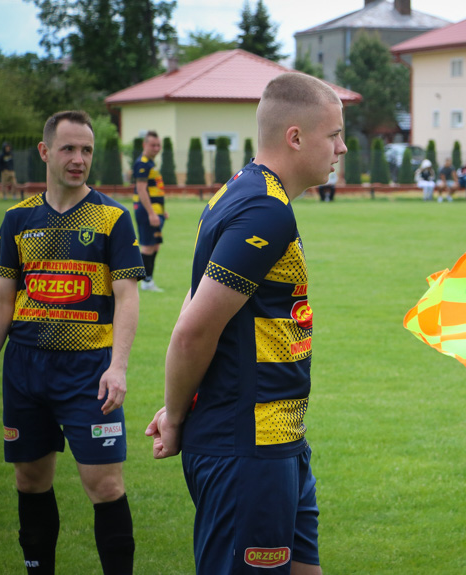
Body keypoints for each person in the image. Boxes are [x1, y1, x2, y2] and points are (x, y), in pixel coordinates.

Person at [145, 72, 346, 575]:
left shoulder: (238, 191)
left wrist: (181, 404)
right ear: (295, 137)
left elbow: (196, 303)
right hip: (247, 446)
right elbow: (194, 329)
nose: (342, 148)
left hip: (280, 440)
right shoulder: (264, 210)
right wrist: (174, 415)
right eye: (335, 134)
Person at [0, 110, 144, 575]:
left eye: (86, 150)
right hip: (24, 369)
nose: (78, 159)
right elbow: (2, 300)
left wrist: (117, 367)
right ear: (45, 152)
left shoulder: (112, 218)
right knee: (30, 481)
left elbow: (127, 297)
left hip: (89, 373)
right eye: (68, 149)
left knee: (105, 485)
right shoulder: (17, 220)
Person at [132, 130, 167, 292]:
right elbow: (141, 189)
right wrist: (152, 213)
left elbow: (155, 189)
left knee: (155, 246)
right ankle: (145, 281)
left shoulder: (151, 163)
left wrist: (162, 211)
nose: (156, 148)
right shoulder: (142, 163)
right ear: (144, 145)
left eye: (158, 145)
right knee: (147, 246)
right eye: (153, 145)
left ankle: (149, 280)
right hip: (147, 212)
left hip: (155, 211)